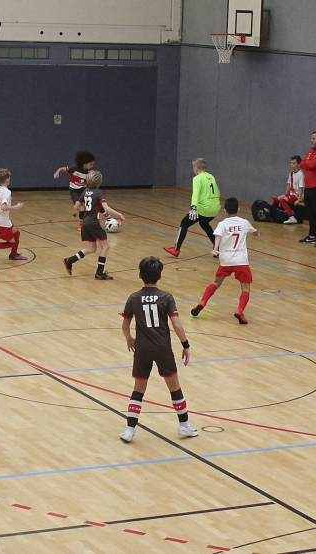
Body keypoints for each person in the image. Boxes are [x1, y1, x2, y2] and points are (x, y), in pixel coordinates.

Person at [119, 256, 198, 443]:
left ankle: (129, 429)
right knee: (174, 387)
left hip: (142, 348)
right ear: (160, 276)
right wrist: (185, 345)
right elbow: (176, 324)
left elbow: (125, 325)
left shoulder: (134, 298)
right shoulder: (166, 297)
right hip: (163, 347)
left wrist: (129, 339)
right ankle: (184, 425)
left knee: (138, 389)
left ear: (140, 275)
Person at [190, 198, 259, 324]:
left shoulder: (222, 224)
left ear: (225, 210)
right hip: (241, 261)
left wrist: (215, 249)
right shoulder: (244, 223)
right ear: (238, 209)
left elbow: (218, 237)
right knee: (245, 288)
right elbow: (254, 232)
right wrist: (256, 234)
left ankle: (203, 302)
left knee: (216, 283)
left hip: (226, 260)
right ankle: (239, 310)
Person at [62, 170, 125, 280]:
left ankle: (70, 260)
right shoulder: (98, 192)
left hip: (85, 222)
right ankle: (99, 273)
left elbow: (77, 205)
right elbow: (106, 208)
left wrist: (74, 212)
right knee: (106, 246)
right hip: (93, 223)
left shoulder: (85, 191)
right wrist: (119, 215)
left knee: (92, 248)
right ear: (99, 182)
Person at [164, 158, 220, 257]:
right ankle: (217, 248)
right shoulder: (211, 177)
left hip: (204, 209)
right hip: (215, 208)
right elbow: (217, 193)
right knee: (204, 224)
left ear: (196, 168)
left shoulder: (197, 178)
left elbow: (195, 194)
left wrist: (193, 207)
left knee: (184, 223)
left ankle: (176, 249)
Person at [53, 150, 95, 227]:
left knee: (91, 207)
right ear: (84, 164)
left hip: (84, 191)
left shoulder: (89, 173)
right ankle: (81, 224)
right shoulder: (74, 168)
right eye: (91, 164)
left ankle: (106, 218)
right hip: (75, 192)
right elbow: (62, 168)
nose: (92, 166)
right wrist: (57, 172)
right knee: (82, 209)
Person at [271, 155, 304, 225]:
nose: (292, 165)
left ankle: (291, 217)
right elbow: (288, 184)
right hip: (292, 193)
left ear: (299, 164)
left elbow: (301, 188)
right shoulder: (291, 173)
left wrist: (299, 199)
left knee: (282, 200)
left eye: (294, 163)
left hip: (297, 195)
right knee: (276, 199)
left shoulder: (300, 174)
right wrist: (285, 194)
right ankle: (272, 212)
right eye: (291, 163)